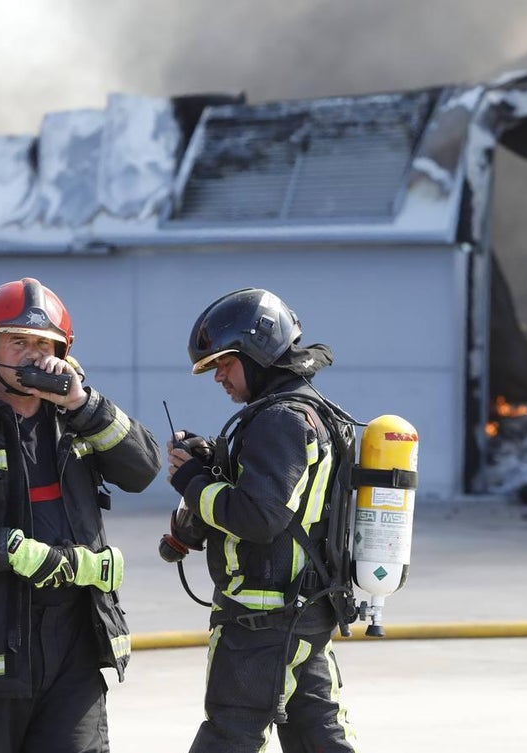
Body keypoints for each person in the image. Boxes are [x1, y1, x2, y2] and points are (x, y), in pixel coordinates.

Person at [0, 277, 162, 753]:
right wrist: (9, 551)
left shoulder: (77, 416)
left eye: (45, 344)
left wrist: (81, 402)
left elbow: (142, 469)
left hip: (74, 646)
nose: (34, 355)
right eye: (18, 341)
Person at [159, 287, 361, 752]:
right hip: (301, 612)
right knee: (318, 737)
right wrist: (216, 463)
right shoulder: (309, 410)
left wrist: (191, 480)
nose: (218, 378)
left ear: (259, 352)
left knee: (229, 735)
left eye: (225, 364)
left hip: (261, 621)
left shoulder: (279, 420)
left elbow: (259, 516)